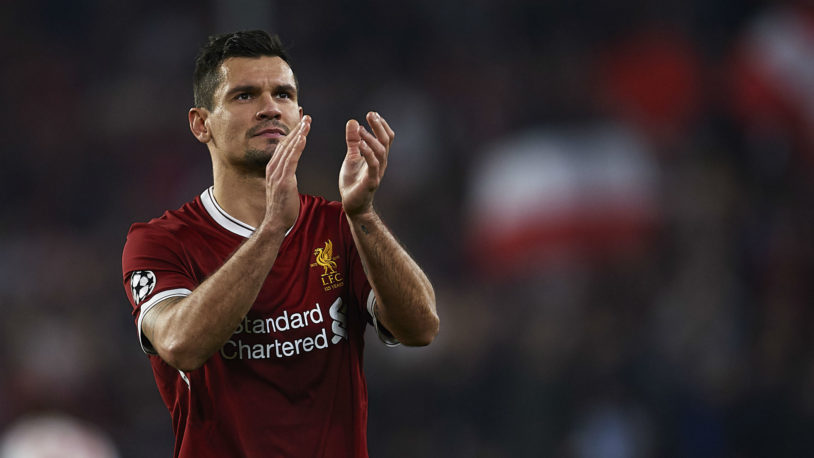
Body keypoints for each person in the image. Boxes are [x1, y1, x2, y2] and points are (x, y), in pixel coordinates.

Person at [120, 30, 439, 458]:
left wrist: (363, 214)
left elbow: (421, 328)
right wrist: (272, 230)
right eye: (244, 95)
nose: (270, 107)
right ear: (201, 124)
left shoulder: (339, 226)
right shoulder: (160, 242)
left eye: (283, 95)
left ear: (299, 115)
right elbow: (181, 343)